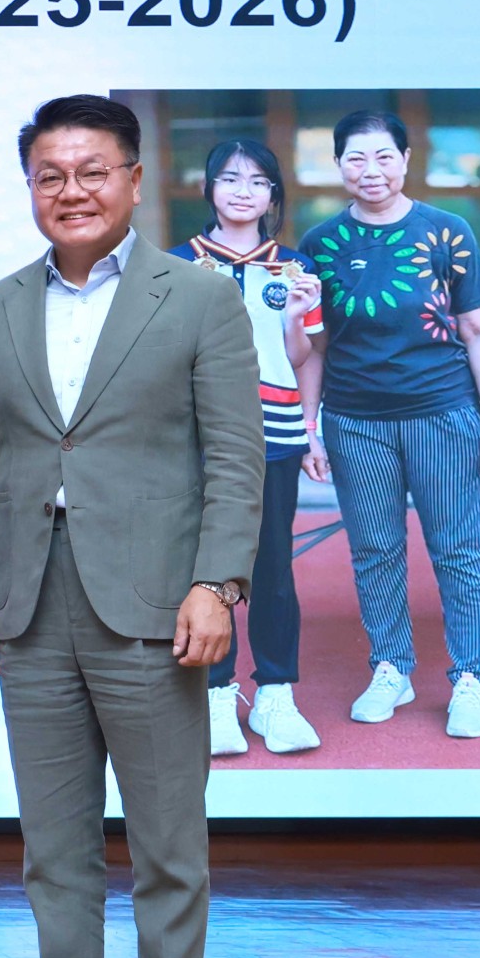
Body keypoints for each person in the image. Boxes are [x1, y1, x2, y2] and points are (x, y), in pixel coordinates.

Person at [0, 95, 261, 958]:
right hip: (30, 608)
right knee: (54, 845)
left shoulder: (199, 298)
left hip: (157, 609)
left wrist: (217, 583)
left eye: (91, 171)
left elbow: (235, 457)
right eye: (50, 175)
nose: (71, 191)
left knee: (167, 842)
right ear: (29, 188)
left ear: (132, 179)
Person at [298, 110, 480, 739]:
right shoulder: (320, 244)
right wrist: (309, 426)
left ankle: (472, 677)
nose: (371, 170)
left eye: (384, 156)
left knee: (459, 552)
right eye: (356, 158)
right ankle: (391, 666)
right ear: (339, 165)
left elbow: (479, 330)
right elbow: (317, 345)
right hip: (355, 422)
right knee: (374, 551)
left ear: (407, 161)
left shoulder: (446, 232)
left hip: (443, 414)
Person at [167, 138, 326, 757]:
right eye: (230, 179)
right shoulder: (176, 265)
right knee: (206, 563)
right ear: (208, 188)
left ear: (273, 195)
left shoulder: (295, 268)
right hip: (197, 435)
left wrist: (295, 318)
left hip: (275, 432)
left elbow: (301, 356)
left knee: (272, 565)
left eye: (258, 181)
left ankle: (276, 693)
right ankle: (214, 692)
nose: (243, 191)